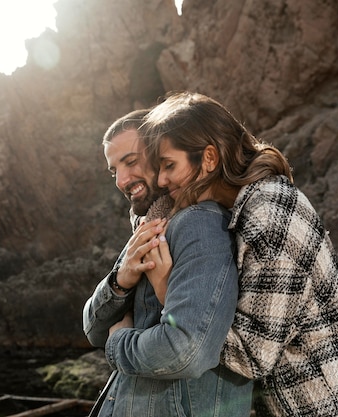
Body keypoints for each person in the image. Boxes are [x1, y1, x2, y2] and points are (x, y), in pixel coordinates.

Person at [140, 91, 338, 416]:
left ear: (209, 158)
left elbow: (253, 353)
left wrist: (166, 289)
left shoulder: (270, 215)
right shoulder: (246, 207)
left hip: (334, 405)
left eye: (169, 165)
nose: (162, 180)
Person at [82, 109, 253, 416]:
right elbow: (93, 328)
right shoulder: (152, 223)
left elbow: (185, 351)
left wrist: (117, 343)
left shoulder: (199, 224)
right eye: (113, 170)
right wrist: (121, 281)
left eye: (131, 161)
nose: (121, 180)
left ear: (161, 151)